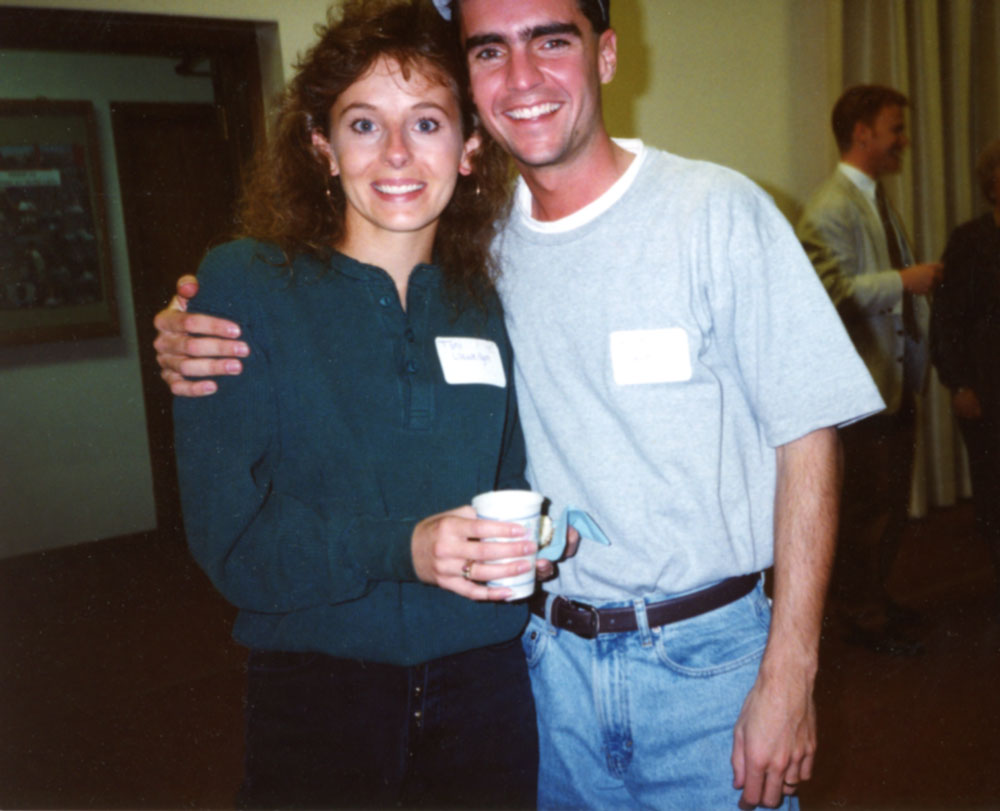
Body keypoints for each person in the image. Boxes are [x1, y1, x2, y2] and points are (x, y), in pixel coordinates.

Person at [156, 1, 884, 808]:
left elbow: (807, 434)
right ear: (322, 144)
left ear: (605, 55)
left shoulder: (687, 218)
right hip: (535, 673)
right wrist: (186, 325)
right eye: (491, 50)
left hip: (677, 674)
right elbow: (237, 521)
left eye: (551, 40)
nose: (397, 152)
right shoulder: (464, 257)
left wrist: (792, 669)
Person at [168, 2, 551, 807]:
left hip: (485, 691)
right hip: (320, 695)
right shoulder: (247, 284)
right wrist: (403, 548)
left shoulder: (492, 298)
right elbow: (230, 541)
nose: (398, 153)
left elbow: (516, 477)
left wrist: (539, 539)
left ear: (470, 147)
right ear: (323, 146)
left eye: (427, 123)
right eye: (365, 124)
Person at [797, 85, 943, 656]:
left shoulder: (873, 198)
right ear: (863, 133)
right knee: (865, 510)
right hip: (861, 387)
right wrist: (905, 282)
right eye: (895, 129)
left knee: (887, 503)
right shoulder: (831, 206)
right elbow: (826, 294)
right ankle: (861, 615)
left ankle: (873, 599)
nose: (903, 141)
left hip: (891, 382)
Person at [931, 138, 1000, 615]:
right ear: (992, 183)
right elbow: (947, 320)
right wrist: (959, 384)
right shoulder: (969, 241)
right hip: (986, 386)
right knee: (994, 490)